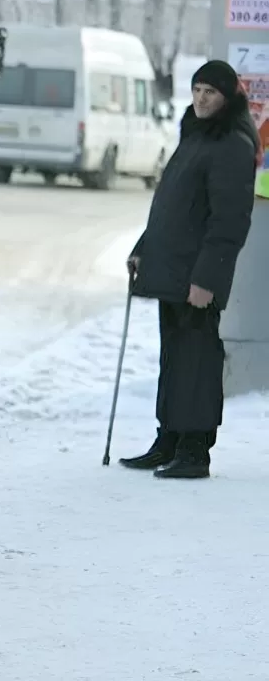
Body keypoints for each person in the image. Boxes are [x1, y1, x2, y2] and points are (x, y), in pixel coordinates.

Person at [119, 60, 258, 479]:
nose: (201, 98)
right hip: (172, 268)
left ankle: (195, 449)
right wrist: (142, 248)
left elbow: (229, 222)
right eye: (197, 89)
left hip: (198, 276)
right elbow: (170, 205)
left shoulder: (233, 144)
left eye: (210, 92)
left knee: (197, 358)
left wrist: (207, 279)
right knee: (175, 356)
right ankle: (169, 440)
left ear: (228, 97)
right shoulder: (195, 136)